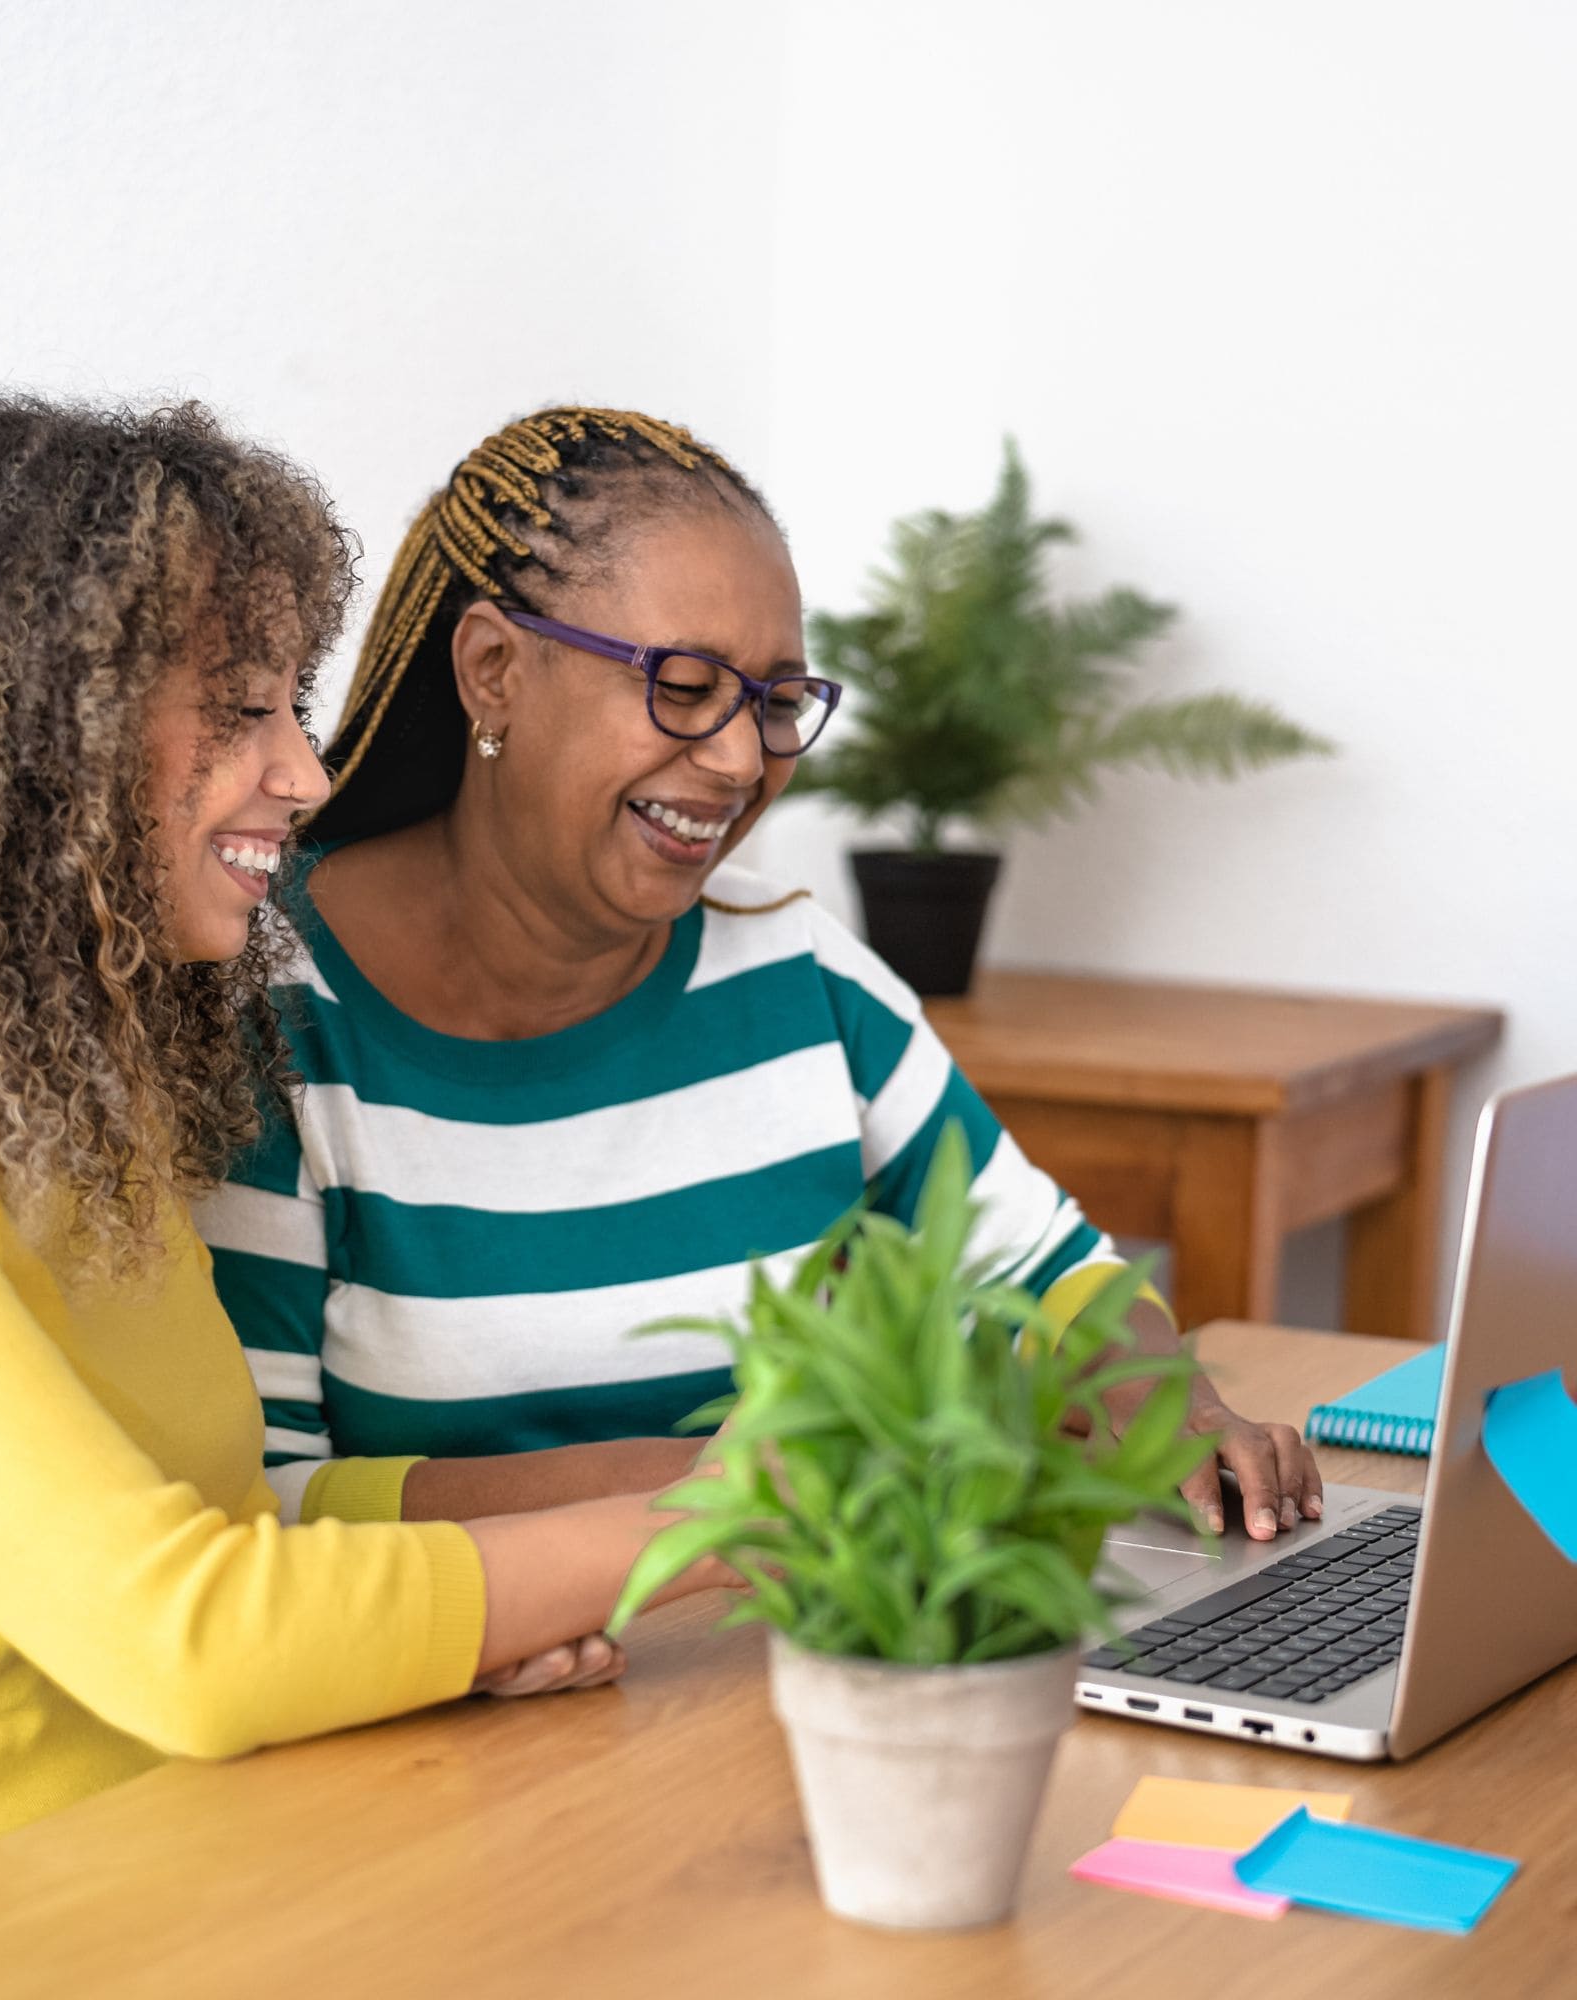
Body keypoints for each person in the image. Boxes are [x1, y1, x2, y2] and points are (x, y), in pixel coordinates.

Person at [0, 395, 725, 1973]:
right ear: (14, 738)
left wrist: (633, 1490)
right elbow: (189, 1637)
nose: (307, 775)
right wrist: (747, 1522)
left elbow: (226, 1528)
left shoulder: (75, 1104)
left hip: (156, 1893)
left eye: (294, 708)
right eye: (241, 711)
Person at [204, 406, 1324, 1538]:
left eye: (776, 703)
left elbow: (1045, 1269)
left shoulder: (793, 969)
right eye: (682, 687)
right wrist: (711, 1486)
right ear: (492, 669)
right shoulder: (274, 1017)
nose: (740, 757)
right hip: (468, 1701)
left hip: (776, 1663)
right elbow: (272, 1494)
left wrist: (1169, 1399)